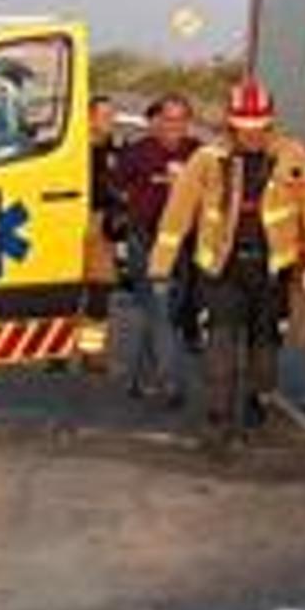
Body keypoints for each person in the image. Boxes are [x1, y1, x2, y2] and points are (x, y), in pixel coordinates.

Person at [149, 78, 305, 452]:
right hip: (221, 267)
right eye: (243, 129)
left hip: (270, 268)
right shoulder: (207, 160)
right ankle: (217, 420)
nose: (251, 136)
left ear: (270, 124)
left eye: (258, 129)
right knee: (219, 345)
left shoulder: (293, 158)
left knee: (265, 349)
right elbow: (178, 213)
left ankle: (257, 400)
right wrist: (161, 265)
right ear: (230, 125)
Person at [112, 93, 201, 405]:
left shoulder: (199, 154)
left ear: (188, 123)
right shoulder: (137, 153)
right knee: (159, 308)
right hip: (146, 242)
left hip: (184, 245)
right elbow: (117, 188)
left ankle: (139, 378)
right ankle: (170, 382)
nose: (174, 127)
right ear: (157, 121)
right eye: (169, 120)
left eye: (181, 120)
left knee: (165, 314)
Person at [76, 93, 122, 371]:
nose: (110, 121)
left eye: (111, 115)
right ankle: (56, 353)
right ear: (89, 117)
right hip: (72, 221)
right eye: (104, 116)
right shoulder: (74, 151)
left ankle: (92, 354)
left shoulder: (114, 151)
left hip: (102, 224)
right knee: (67, 291)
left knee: (99, 291)